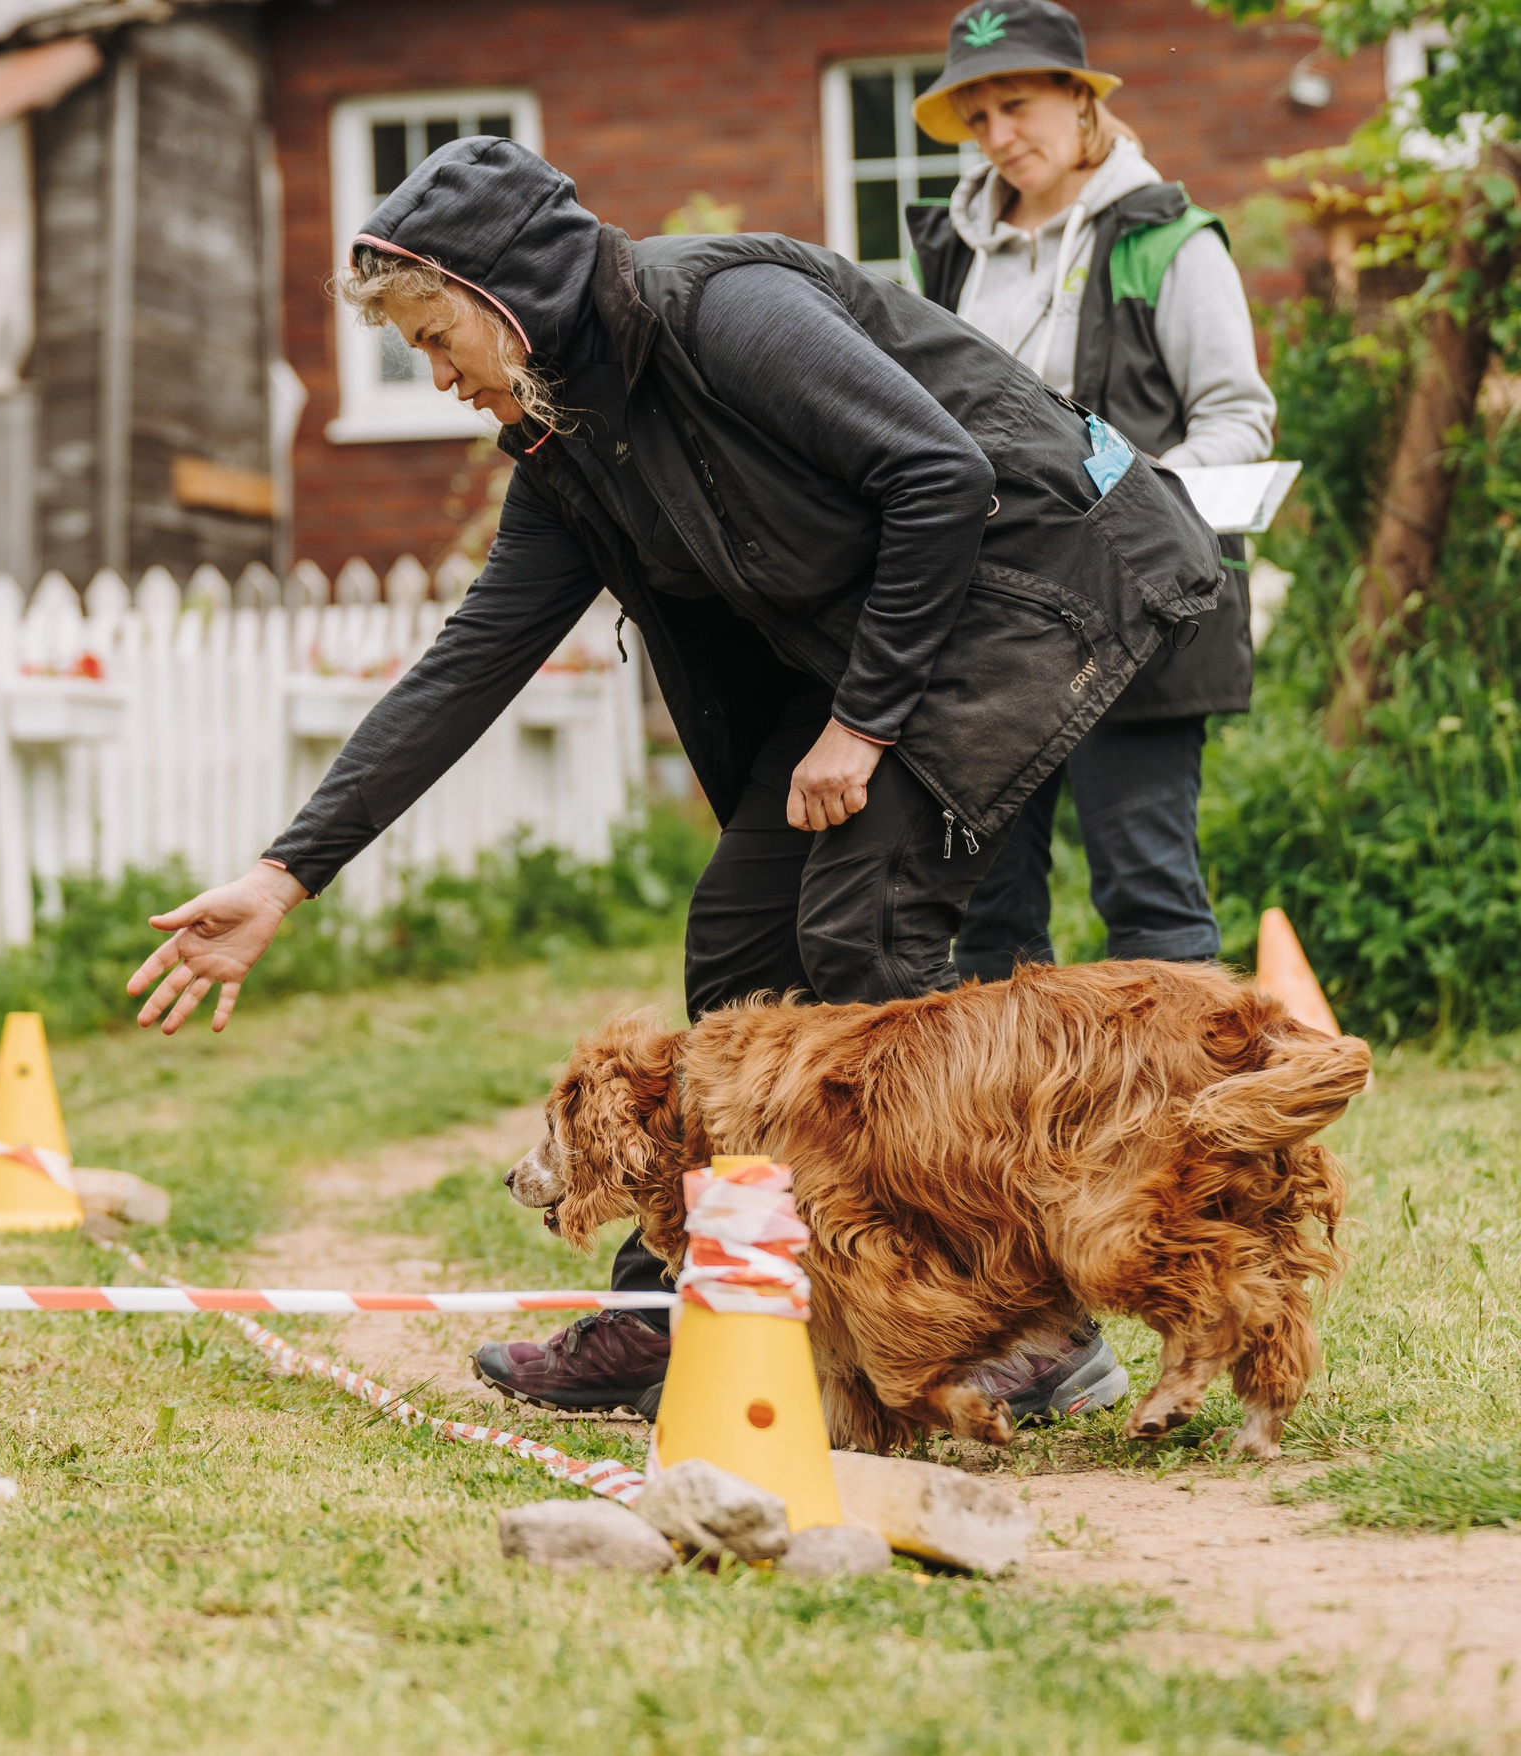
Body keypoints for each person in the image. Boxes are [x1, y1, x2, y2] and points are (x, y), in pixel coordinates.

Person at [121, 135, 1221, 1420]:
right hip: (891, 626)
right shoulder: (566, 446)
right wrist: (284, 873)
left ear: (502, 299)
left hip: (1024, 577)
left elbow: (940, 476)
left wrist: (860, 728)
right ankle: (684, 1306)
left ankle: (1020, 1327)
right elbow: (467, 666)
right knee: (743, 943)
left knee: (862, 935)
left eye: (435, 342)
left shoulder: (724, 311)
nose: (436, 379)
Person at [904, 0, 1274, 986]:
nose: (996, 138)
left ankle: (1193, 1133)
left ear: (1080, 99)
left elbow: (1238, 420)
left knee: (1147, 899)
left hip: (1138, 615)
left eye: (1015, 105)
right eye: (975, 120)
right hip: (990, 625)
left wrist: (1127, 508)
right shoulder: (947, 255)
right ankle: (1014, 1140)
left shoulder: (1168, 240)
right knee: (989, 922)